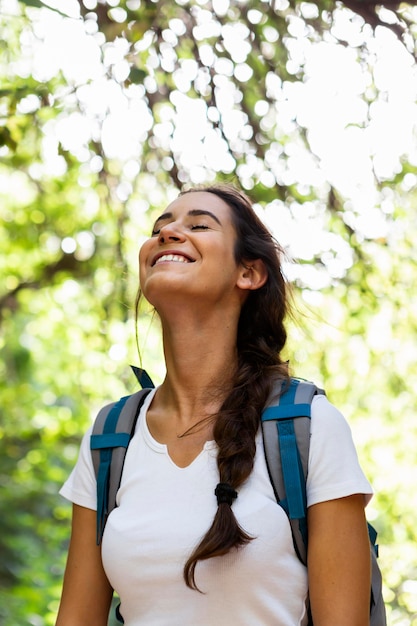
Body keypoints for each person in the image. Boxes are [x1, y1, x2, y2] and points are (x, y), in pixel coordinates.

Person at [56, 184, 373, 626]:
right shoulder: (111, 436)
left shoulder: (309, 427)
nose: (168, 233)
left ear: (249, 273)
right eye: (160, 227)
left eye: (198, 225)